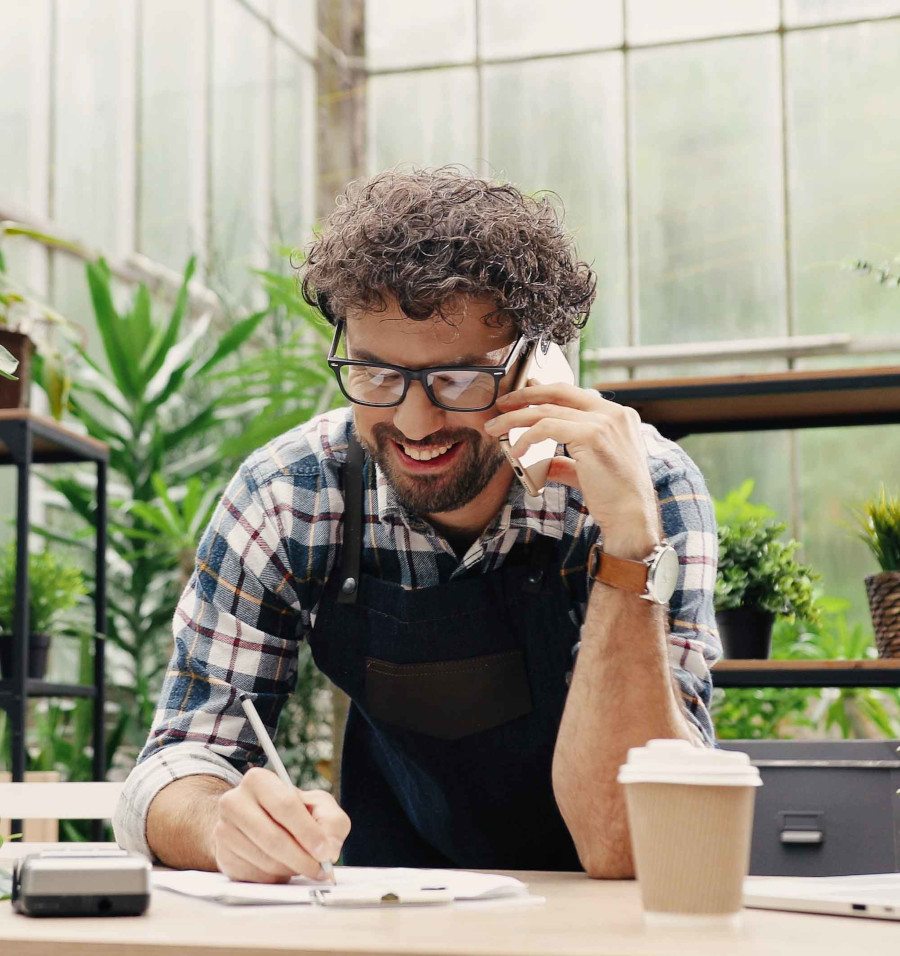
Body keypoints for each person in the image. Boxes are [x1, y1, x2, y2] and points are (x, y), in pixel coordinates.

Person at [113, 168, 720, 882]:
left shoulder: (646, 492)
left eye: (459, 379)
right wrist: (222, 824)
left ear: (542, 365)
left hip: (599, 918)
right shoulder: (289, 496)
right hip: (389, 907)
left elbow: (632, 841)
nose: (413, 420)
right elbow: (176, 762)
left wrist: (627, 551)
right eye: (375, 375)